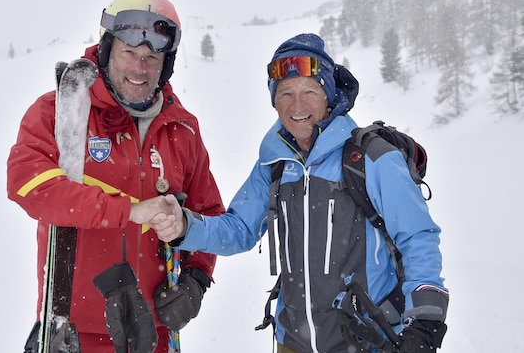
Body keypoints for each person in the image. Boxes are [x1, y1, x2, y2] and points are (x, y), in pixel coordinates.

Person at [152, 33, 449, 353]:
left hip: (367, 342)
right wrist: (185, 227)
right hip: (291, 342)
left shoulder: (371, 157)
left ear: (329, 96)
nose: (297, 105)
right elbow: (239, 230)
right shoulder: (275, 164)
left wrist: (425, 320)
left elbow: (417, 237)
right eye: (285, 93)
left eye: (309, 90)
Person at [6, 0, 225, 352]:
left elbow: (209, 215)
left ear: (166, 64)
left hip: (152, 332)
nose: (140, 68)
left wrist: (197, 279)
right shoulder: (62, 110)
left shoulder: (181, 129)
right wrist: (127, 211)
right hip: (75, 331)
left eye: (152, 58)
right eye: (129, 53)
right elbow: (27, 184)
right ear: (108, 47)